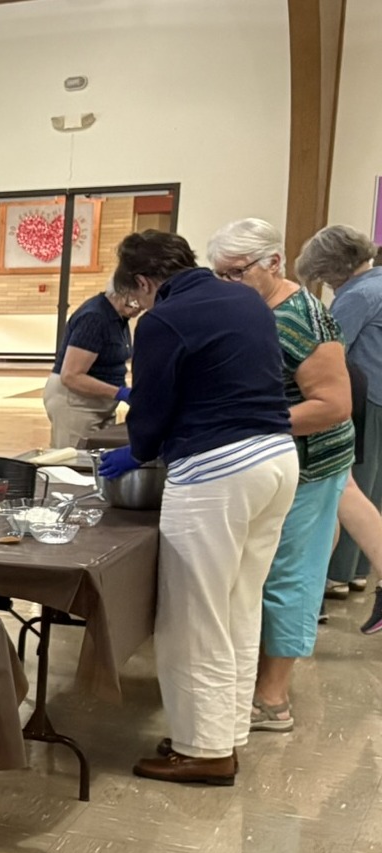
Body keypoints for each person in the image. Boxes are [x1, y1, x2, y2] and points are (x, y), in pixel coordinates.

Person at [99, 230, 298, 784]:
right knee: (239, 607)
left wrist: (138, 450)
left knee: (193, 615)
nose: (138, 305)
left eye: (136, 295)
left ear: (144, 282)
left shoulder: (163, 321)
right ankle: (223, 735)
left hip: (218, 472)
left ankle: (202, 751)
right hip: (277, 458)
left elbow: (151, 407)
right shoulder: (244, 299)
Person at [204, 219, 355, 736]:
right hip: (274, 461)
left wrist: (251, 420)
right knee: (264, 573)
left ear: (273, 262)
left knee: (290, 575)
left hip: (310, 464)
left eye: (236, 273)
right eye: (219, 275)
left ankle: (273, 700)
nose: (227, 284)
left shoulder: (303, 319)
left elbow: (333, 405)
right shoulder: (256, 308)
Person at [299, 223, 382, 628]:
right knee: (371, 489)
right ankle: (357, 572)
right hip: (377, 395)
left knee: (342, 489)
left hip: (360, 399)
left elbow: (329, 350)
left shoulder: (358, 295)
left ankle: (333, 576)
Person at [41, 271, 142, 447]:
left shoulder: (119, 317)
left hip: (101, 401)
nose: (140, 307)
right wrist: (120, 393)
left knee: (97, 456)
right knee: (74, 457)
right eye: (137, 301)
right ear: (122, 292)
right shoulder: (95, 317)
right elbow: (71, 376)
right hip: (76, 402)